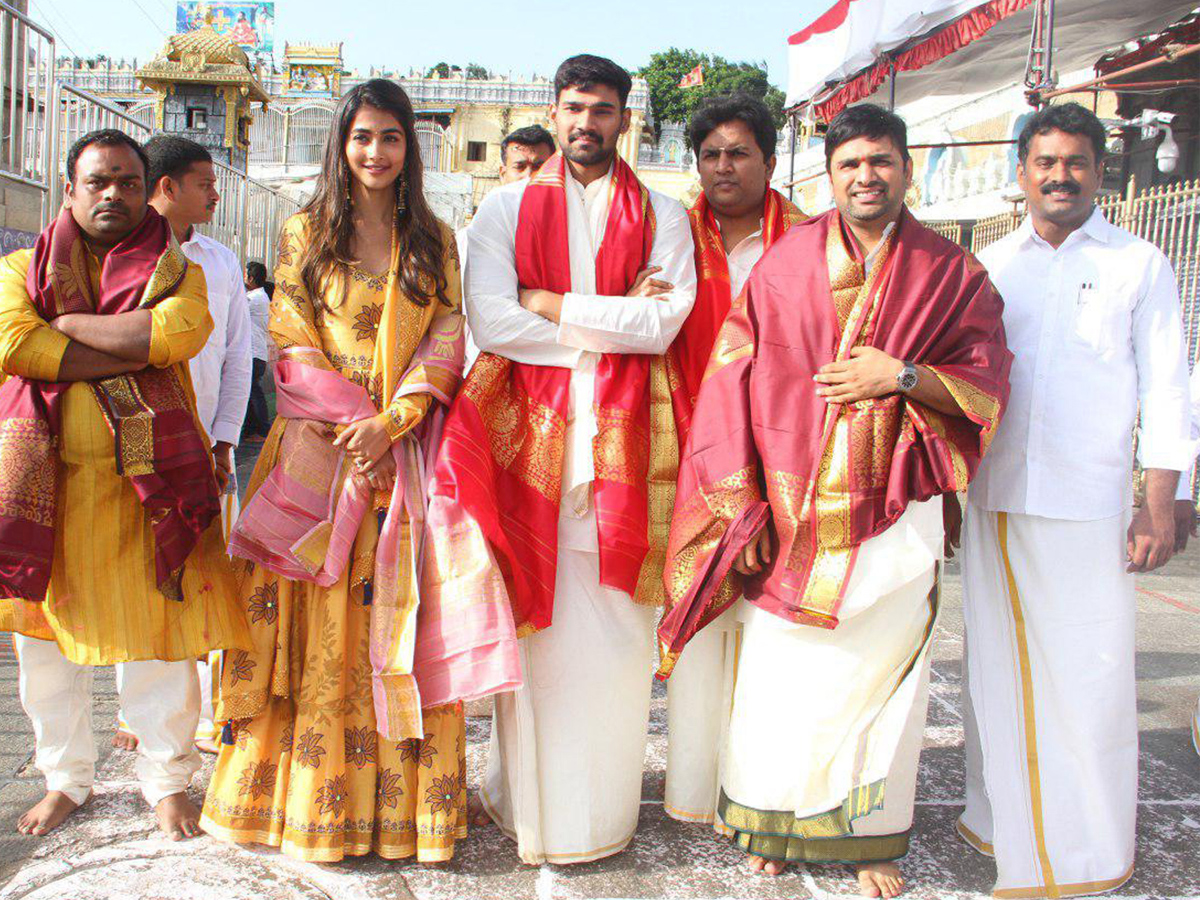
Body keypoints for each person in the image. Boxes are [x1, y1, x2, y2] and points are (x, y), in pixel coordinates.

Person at [657, 104, 1011, 898]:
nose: (866, 177)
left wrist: (904, 376)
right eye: (850, 164)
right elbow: (731, 384)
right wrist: (738, 500)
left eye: (882, 162)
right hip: (790, 512)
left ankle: (866, 838)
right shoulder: (784, 264)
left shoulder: (952, 274)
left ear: (908, 168)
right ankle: (774, 824)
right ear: (829, 175)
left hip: (896, 503)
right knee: (785, 679)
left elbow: (988, 381)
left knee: (881, 675)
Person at [424, 54, 697, 864]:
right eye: (575, 107)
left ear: (625, 118)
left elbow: (665, 329)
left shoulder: (664, 217)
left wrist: (552, 306)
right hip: (528, 450)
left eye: (604, 109)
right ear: (555, 108)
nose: (587, 123)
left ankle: (601, 814)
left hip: (627, 448)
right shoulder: (503, 209)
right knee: (533, 633)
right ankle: (528, 808)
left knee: (616, 640)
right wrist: (610, 324)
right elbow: (493, 325)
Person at [199, 78, 469, 864]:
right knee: (310, 621)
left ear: (408, 146)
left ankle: (401, 815)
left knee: (398, 619)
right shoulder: (302, 232)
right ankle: (299, 805)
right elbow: (289, 336)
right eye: (361, 137)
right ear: (341, 144)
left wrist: (393, 422)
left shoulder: (434, 240)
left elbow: (446, 337)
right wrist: (355, 425)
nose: (376, 152)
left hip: (403, 454)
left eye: (390, 137)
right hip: (320, 456)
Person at [959, 102, 1193, 898]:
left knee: (1089, 677)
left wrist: (1160, 499)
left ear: (1100, 170)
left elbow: (1168, 389)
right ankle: (1004, 828)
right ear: (1021, 172)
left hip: (1090, 505)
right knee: (994, 671)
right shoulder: (992, 266)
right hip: (995, 499)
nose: (1060, 176)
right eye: (1046, 162)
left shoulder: (1138, 264)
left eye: (1076, 162)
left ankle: (1088, 850)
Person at [0, 129, 248, 839]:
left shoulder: (179, 270)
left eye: (129, 182)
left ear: (148, 191)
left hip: (154, 488)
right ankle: (65, 778)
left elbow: (175, 337)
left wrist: (69, 328)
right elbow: (14, 344)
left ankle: (167, 779)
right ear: (70, 188)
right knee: (44, 647)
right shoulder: (20, 270)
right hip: (46, 491)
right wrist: (122, 346)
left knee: (158, 638)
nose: (114, 194)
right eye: (98, 181)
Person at [662, 93, 806, 828]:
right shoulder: (669, 238)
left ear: (770, 161)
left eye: (738, 152)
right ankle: (693, 788)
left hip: (785, 457)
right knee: (700, 626)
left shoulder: (811, 241)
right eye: (711, 154)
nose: (724, 166)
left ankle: (760, 793)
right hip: (692, 454)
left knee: (772, 639)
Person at [109, 135, 254, 756]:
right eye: (203, 183)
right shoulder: (116, 258)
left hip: (202, 449)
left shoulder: (219, 263)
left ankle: (209, 708)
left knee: (206, 576)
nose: (215, 194)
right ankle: (138, 712)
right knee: (138, 576)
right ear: (166, 187)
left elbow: (235, 355)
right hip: (134, 445)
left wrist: (224, 441)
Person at [456, 124, 556, 371]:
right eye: (520, 167)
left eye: (540, 167)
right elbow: (488, 322)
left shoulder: (567, 236)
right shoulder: (467, 239)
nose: (529, 177)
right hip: (482, 367)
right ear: (502, 173)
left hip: (551, 370)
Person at [242, 259, 271, 438]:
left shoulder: (253, 299)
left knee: (253, 392)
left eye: (245, 276)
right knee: (251, 391)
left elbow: (234, 309)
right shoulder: (260, 296)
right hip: (257, 352)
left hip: (254, 353)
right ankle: (253, 431)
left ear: (251, 279)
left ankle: (262, 429)